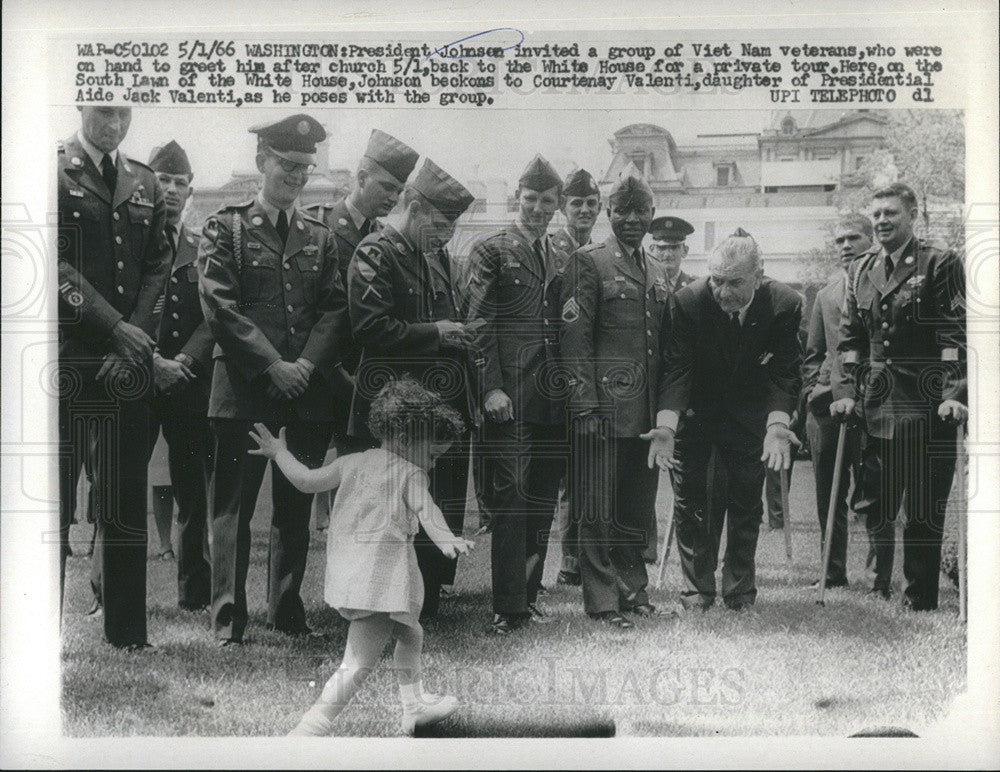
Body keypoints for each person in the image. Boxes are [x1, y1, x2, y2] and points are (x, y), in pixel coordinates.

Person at [247, 378, 473, 736]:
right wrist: (447, 540)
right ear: (404, 439)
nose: (432, 466)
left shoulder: (350, 462)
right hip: (380, 584)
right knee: (356, 664)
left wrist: (279, 454)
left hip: (354, 576)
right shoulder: (409, 473)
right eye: (432, 456)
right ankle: (310, 729)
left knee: (411, 634)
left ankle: (413, 707)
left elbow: (305, 480)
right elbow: (427, 510)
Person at [198, 114, 350, 645]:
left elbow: (334, 309)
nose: (297, 176)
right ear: (263, 161)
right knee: (233, 509)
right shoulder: (226, 227)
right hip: (243, 392)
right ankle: (227, 619)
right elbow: (220, 306)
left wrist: (304, 366)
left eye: (305, 168)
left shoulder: (321, 237)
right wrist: (273, 366)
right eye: (288, 165)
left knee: (295, 506)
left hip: (305, 392)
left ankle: (286, 609)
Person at [57, 106, 171, 649]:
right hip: (70, 358)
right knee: (56, 499)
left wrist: (133, 339)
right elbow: (50, 262)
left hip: (127, 362)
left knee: (125, 497)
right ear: (83, 108)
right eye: (104, 112)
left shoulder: (144, 180)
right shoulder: (52, 170)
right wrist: (112, 327)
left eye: (124, 113)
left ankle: (126, 632)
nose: (114, 124)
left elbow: (158, 264)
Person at [347, 157, 478, 619]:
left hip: (430, 410)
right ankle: (378, 605)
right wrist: (437, 333)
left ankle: (425, 602)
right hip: (392, 410)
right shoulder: (375, 252)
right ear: (416, 207)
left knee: (431, 505)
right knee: (389, 514)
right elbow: (370, 327)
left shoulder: (430, 258)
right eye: (441, 225)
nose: (446, 236)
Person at [645, 228, 803, 611]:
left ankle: (740, 594)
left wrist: (778, 425)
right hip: (696, 417)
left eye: (735, 283)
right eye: (716, 281)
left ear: (759, 274)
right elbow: (677, 369)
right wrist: (666, 426)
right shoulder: (688, 302)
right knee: (692, 504)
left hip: (750, 421)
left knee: (747, 505)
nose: (723, 293)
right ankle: (697, 593)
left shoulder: (784, 303)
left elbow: (785, 371)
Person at [831, 183, 966, 610]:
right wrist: (847, 391)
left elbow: (955, 334)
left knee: (924, 507)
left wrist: (953, 392)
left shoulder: (939, 263)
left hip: (927, 405)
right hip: (876, 403)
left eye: (891, 213)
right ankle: (878, 585)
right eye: (877, 216)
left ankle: (919, 596)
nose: (882, 221)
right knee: (875, 502)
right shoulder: (860, 269)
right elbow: (850, 339)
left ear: (912, 216)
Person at [560, 174, 674, 629]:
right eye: (622, 211)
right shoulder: (588, 262)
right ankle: (604, 601)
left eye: (640, 210)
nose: (631, 219)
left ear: (651, 213)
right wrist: (584, 406)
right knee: (595, 510)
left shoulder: (657, 269)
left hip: (643, 416)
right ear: (609, 214)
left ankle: (634, 591)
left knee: (633, 510)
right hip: (601, 412)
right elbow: (574, 340)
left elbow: (661, 347)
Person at [465, 154, 567, 635]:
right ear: (517, 199)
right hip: (508, 398)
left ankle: (527, 595)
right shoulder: (491, 250)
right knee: (511, 499)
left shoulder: (559, 254)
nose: (538, 209)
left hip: (549, 399)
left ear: (557, 205)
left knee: (542, 499)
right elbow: (478, 323)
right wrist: (490, 388)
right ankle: (508, 606)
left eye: (548, 201)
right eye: (531, 200)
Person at [306, 130, 420, 529]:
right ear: (360, 178)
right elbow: (313, 310)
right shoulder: (318, 226)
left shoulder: (384, 239)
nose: (393, 197)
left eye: (400, 190)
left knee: (365, 494)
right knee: (306, 494)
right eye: (386, 186)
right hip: (322, 379)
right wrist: (337, 373)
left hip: (365, 382)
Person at [146, 140, 214, 610]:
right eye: (163, 180)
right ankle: (106, 592)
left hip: (189, 384)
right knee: (122, 486)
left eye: (180, 183)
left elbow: (216, 315)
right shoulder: (130, 244)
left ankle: (195, 593)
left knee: (193, 489)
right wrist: (152, 361)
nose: (171, 190)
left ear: (190, 192)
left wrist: (184, 362)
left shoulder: (201, 247)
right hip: (137, 376)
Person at [802, 214, 873, 589]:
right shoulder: (826, 295)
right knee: (828, 493)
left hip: (874, 404)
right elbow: (812, 353)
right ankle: (832, 573)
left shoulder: (883, 289)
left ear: (871, 241)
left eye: (854, 237)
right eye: (840, 240)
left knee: (875, 492)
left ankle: (878, 578)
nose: (846, 245)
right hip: (827, 408)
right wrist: (813, 390)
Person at [548, 168, 601, 587]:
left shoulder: (600, 251)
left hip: (592, 373)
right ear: (564, 208)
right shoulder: (553, 250)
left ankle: (585, 556)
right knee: (567, 475)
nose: (583, 210)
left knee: (587, 472)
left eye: (590, 204)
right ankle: (569, 561)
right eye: (575, 203)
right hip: (558, 374)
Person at [647, 216, 696, 293]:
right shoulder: (645, 287)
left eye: (674, 247)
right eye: (662, 248)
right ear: (651, 250)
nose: (667, 254)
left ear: (685, 251)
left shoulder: (695, 287)